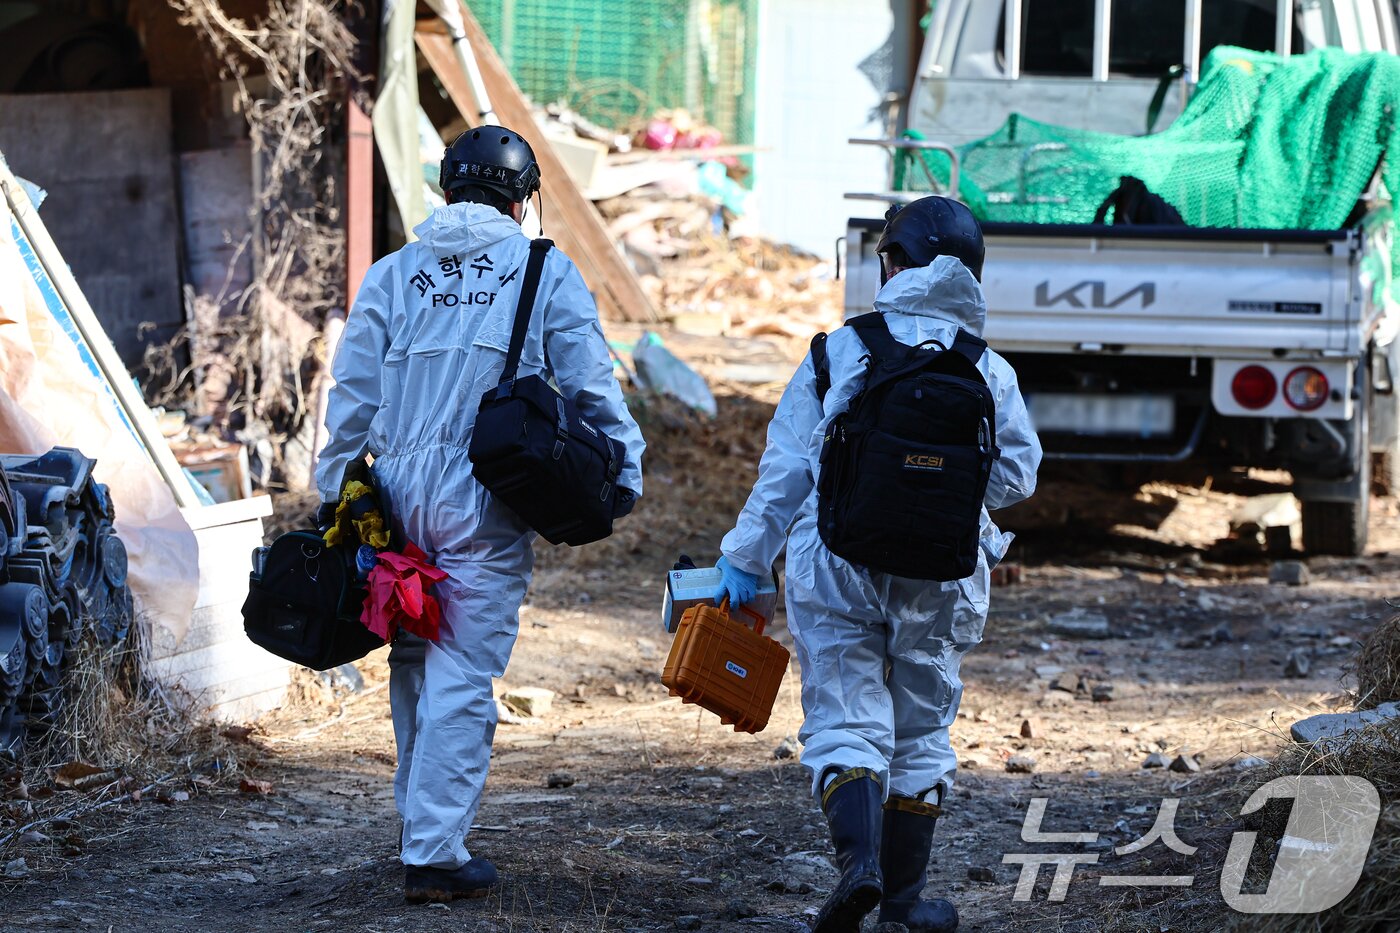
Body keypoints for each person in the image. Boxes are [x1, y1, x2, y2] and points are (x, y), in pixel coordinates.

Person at [315, 125, 645, 903]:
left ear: (446, 187)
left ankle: (417, 822)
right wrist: (623, 468)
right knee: (463, 665)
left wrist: (336, 488)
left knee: (413, 654)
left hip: (394, 495)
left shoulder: (394, 274)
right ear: (522, 196)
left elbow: (352, 396)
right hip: (484, 493)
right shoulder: (543, 270)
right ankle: (432, 851)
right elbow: (591, 384)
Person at [715, 196, 1041, 933]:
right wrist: (946, 488)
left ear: (892, 265)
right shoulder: (986, 366)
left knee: (843, 715)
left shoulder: (840, 351)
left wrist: (746, 561)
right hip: (943, 568)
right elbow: (1017, 476)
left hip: (836, 555)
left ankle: (856, 865)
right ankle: (901, 903)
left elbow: (785, 473)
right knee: (921, 726)